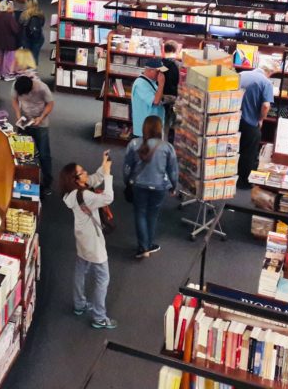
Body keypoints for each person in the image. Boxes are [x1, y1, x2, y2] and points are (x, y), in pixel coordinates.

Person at [61, 153, 117, 329]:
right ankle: (99, 317)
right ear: (76, 179)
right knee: (103, 278)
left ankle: (79, 304)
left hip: (82, 238)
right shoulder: (86, 196)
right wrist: (108, 176)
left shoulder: (71, 193)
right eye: (82, 172)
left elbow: (93, 179)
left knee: (81, 269)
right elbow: (108, 198)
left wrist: (103, 166)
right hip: (94, 242)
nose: (86, 173)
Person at [123, 116, 179, 259]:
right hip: (159, 186)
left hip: (138, 185)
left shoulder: (134, 144)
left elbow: (127, 167)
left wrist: (127, 181)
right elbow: (173, 170)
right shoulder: (167, 147)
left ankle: (143, 247)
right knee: (152, 215)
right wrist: (173, 186)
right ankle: (148, 243)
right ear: (160, 129)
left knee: (140, 213)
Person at [238, 57, 278, 188]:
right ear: (269, 71)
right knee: (248, 153)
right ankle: (243, 183)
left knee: (233, 151)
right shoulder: (266, 82)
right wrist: (261, 119)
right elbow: (266, 106)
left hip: (233, 120)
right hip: (250, 122)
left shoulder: (241, 75)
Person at [12, 74, 54, 193]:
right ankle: (23, 180)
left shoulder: (42, 87)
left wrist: (41, 117)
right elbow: (14, 100)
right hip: (24, 121)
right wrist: (18, 115)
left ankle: (47, 184)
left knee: (44, 155)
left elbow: (51, 104)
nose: (23, 96)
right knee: (22, 153)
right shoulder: (16, 85)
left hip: (40, 123)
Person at [130, 58, 166, 137]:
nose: (161, 74)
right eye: (159, 71)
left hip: (153, 126)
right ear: (150, 70)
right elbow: (155, 101)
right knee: (146, 149)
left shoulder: (151, 82)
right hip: (145, 129)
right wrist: (161, 84)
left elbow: (158, 96)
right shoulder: (140, 84)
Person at [0, 1, 21, 81]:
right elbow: (15, 30)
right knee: (8, 59)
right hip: (9, 42)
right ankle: (7, 75)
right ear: (7, 7)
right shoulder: (9, 17)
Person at [161, 41, 181, 142]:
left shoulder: (160, 63)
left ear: (164, 50)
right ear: (175, 50)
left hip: (160, 97)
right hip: (174, 98)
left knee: (162, 122)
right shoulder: (178, 65)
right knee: (173, 123)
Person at [19, 0, 46, 66]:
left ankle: (27, 73)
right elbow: (42, 24)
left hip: (26, 38)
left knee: (27, 56)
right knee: (35, 56)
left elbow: (20, 24)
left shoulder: (24, 14)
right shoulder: (40, 13)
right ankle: (33, 73)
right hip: (38, 37)